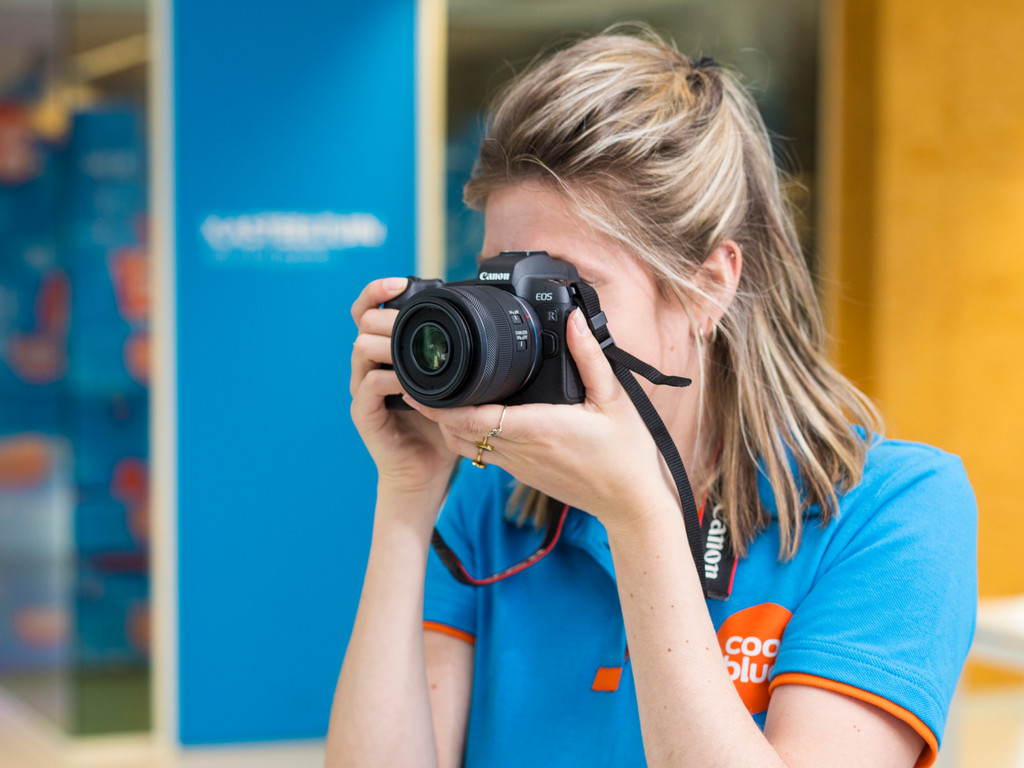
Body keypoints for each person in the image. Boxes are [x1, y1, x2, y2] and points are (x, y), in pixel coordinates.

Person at [326, 28, 976, 768]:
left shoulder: (894, 512)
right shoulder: (498, 503)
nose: (523, 325)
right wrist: (408, 498)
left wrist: (639, 517)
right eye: (503, 284)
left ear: (709, 286)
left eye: (562, 290)